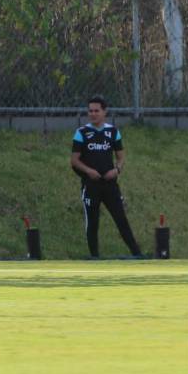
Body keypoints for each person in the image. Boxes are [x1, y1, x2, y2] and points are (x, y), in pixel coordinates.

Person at [71, 96, 143, 259]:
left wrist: (116, 170)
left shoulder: (113, 132)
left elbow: (121, 157)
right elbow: (74, 160)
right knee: (93, 223)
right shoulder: (81, 133)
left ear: (104, 112)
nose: (93, 114)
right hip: (91, 185)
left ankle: (137, 255)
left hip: (110, 185)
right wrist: (89, 171)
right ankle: (95, 257)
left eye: (97, 111)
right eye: (90, 111)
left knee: (121, 220)